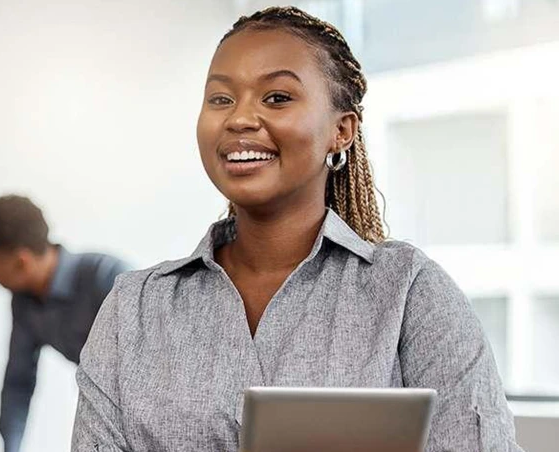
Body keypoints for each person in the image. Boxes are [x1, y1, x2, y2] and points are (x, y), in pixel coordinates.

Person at [71, 6, 522, 452]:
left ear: (341, 131)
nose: (239, 119)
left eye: (277, 98)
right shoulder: (132, 309)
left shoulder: (408, 293)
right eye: (221, 99)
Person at [0, 195, 131, 452]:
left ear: (21, 262)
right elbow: (18, 382)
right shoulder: (23, 303)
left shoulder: (107, 278)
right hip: (102, 422)